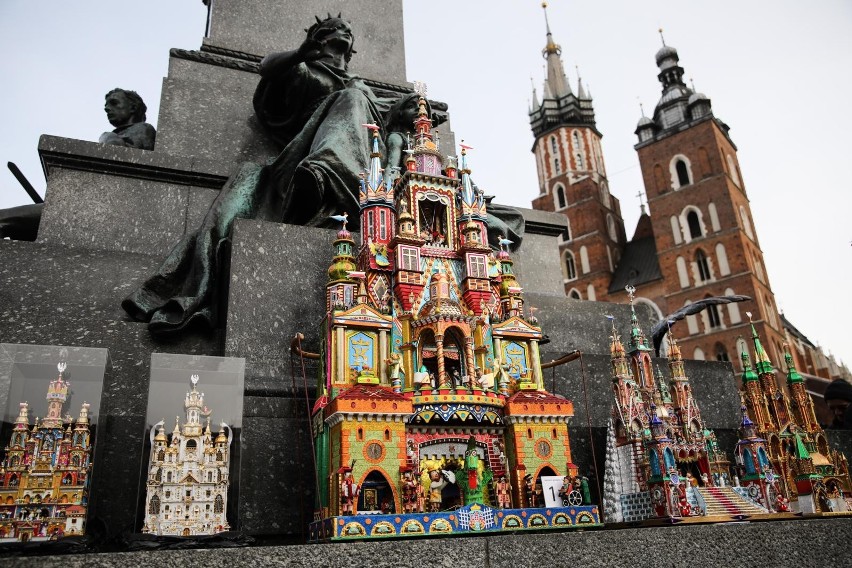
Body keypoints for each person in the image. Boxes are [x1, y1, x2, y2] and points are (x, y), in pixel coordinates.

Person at [122, 15, 391, 335]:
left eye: (347, 31)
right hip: (297, 158)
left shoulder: (358, 88)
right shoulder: (306, 71)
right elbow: (268, 67)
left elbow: (389, 118)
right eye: (333, 30)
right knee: (230, 212)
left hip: (344, 159)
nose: (343, 32)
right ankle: (321, 178)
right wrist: (301, 53)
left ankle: (326, 176)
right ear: (319, 37)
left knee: (355, 96)